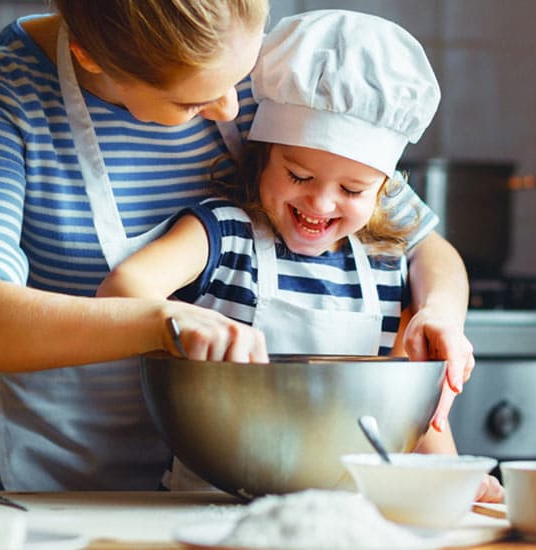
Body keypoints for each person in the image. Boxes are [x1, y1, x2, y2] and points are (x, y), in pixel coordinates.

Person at [0, 1, 475, 493]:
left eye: (241, 78)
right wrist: (160, 322)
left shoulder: (270, 79)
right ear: (91, 58)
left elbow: (422, 244)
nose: (232, 108)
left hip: (222, 496)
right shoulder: (7, 91)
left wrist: (439, 314)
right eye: (192, 103)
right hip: (56, 492)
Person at [98, 9, 502, 502]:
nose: (321, 203)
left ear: (384, 192)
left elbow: (414, 413)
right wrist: (178, 323)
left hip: (349, 514)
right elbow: (121, 290)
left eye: (353, 189)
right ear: (262, 156)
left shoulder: (384, 263)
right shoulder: (224, 234)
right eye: (299, 176)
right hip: (210, 500)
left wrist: (451, 480)